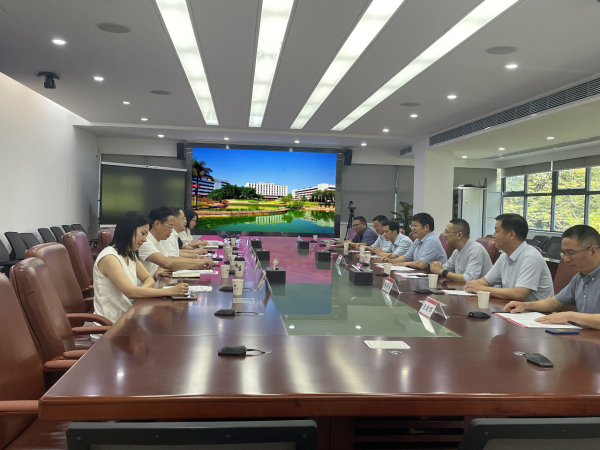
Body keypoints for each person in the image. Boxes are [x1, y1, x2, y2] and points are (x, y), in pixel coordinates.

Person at [93, 211, 189, 334]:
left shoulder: (130, 253)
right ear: (129, 230)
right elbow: (130, 292)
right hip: (111, 328)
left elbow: (148, 278)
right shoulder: (109, 257)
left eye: (146, 235)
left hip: (129, 319)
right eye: (143, 234)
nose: (144, 239)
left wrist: (139, 293)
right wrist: (170, 291)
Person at [503, 225, 600, 328]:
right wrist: (525, 305)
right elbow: (554, 303)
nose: (566, 259)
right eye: (564, 253)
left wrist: (570, 316)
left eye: (571, 253)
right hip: (585, 335)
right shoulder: (580, 277)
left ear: (593, 251)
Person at [465, 214, 553, 302]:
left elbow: (519, 294)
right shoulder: (504, 256)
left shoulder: (530, 257)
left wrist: (482, 289)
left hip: (535, 310)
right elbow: (487, 281)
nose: (493, 235)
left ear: (511, 235)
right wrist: (474, 285)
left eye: (496, 231)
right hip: (514, 307)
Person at [138, 206, 213, 277]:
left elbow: (170, 258)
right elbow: (167, 262)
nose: (171, 231)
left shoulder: (157, 241)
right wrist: (197, 263)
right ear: (157, 224)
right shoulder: (145, 242)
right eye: (170, 226)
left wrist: (197, 260)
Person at [430, 218, 492, 282]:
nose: (444, 235)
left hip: (484, 288)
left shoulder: (475, 249)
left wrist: (442, 271)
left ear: (459, 235)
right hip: (463, 287)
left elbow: (470, 278)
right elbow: (445, 268)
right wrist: (436, 267)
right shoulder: (456, 252)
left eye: (447, 232)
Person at [383, 212, 447, 269]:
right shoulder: (418, 240)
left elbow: (422, 264)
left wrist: (405, 264)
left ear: (426, 227)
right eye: (412, 225)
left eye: (415, 225)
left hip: (434, 277)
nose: (412, 228)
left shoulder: (431, 241)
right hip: (421, 274)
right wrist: (391, 261)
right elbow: (406, 257)